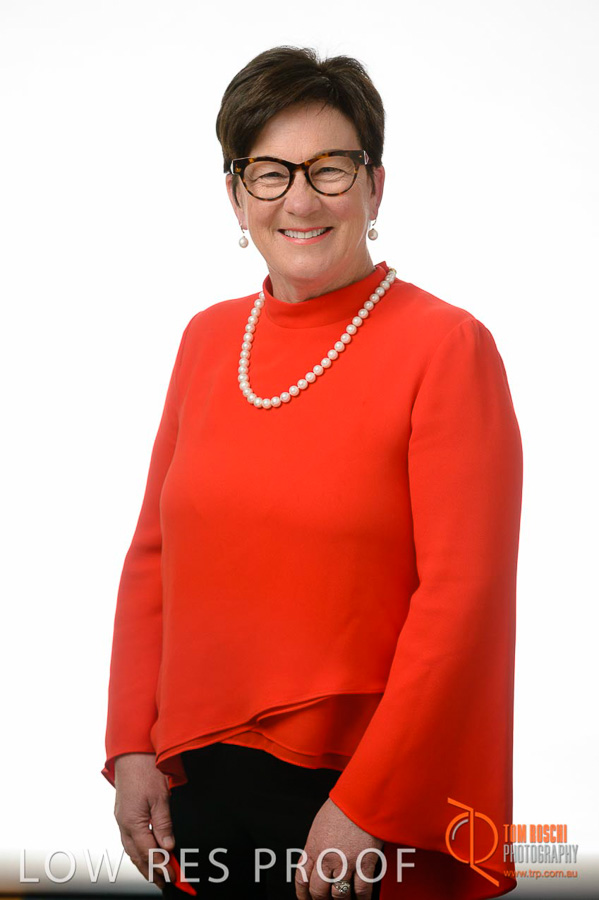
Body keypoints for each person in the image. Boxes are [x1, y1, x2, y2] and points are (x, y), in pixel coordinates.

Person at [102, 46, 523, 900]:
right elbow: (154, 554)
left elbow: (462, 600)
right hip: (197, 783)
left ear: (375, 187)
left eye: (329, 169)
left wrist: (370, 803)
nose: (299, 200)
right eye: (269, 172)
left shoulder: (446, 347)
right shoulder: (207, 339)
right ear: (236, 195)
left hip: (354, 796)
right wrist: (132, 745)